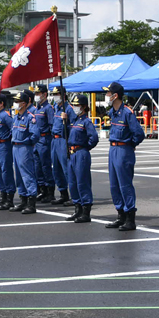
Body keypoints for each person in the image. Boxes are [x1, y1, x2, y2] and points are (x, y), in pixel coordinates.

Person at [102, 81, 145, 231]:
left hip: (123, 150)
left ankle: (130, 218)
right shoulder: (112, 112)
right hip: (113, 150)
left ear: (115, 95)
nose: (106, 96)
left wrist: (130, 145)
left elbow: (139, 134)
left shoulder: (127, 112)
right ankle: (120, 215)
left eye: (108, 93)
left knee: (125, 185)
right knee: (114, 184)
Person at [65, 93, 100, 223]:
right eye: (74, 105)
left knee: (82, 182)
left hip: (81, 153)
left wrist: (85, 148)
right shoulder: (74, 120)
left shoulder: (86, 121)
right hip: (72, 153)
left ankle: (85, 211)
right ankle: (77, 208)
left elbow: (94, 138)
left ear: (84, 106)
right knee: (73, 182)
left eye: (77, 105)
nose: (75, 107)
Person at [48, 86, 78, 207]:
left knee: (67, 170)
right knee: (56, 170)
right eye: (54, 94)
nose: (55, 97)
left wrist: (66, 122)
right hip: (54, 140)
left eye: (57, 94)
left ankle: (74, 196)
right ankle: (63, 194)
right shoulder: (56, 108)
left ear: (63, 95)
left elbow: (74, 127)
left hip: (63, 140)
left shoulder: (69, 109)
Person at [12, 89, 40, 214]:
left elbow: (35, 134)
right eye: (15, 101)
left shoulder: (30, 117)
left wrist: (27, 143)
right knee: (18, 175)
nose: (16, 103)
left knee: (27, 175)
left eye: (18, 101)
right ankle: (23, 200)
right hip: (15, 147)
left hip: (24, 147)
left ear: (24, 103)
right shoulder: (16, 118)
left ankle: (31, 202)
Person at [29, 84, 56, 202]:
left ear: (44, 94)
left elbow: (51, 125)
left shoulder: (48, 108)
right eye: (35, 94)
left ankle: (50, 192)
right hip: (37, 140)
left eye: (38, 94)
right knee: (37, 167)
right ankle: (42, 190)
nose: (36, 96)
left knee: (46, 166)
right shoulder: (37, 108)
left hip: (45, 140)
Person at [0, 92, 17, 211]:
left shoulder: (5, 116)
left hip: (4, 145)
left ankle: (9, 198)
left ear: (1, 104)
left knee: (6, 171)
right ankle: (3, 196)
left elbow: (13, 129)